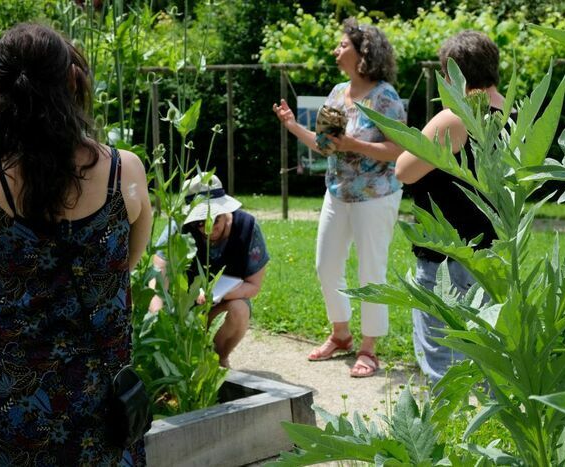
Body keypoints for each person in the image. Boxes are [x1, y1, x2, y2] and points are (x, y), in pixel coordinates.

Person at [0, 23, 152, 464]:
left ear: (3, 90)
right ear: (71, 81)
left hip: (8, 395)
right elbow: (128, 260)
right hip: (97, 394)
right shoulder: (128, 172)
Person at [273, 18, 406, 377]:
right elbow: (325, 146)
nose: (336, 50)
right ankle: (341, 334)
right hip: (338, 193)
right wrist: (292, 125)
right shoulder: (336, 93)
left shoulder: (385, 97)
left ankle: (369, 347)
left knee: (370, 270)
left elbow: (397, 150)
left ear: (364, 52)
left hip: (376, 196)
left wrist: (353, 144)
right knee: (326, 264)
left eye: (342, 45)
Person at [394, 30, 505, 386]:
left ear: (450, 74)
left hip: (449, 257)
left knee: (443, 362)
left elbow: (404, 171)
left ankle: (449, 434)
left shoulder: (455, 117)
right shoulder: (508, 110)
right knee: (489, 355)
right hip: (492, 254)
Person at [150, 173, 269, 368]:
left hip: (224, 303)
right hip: (183, 308)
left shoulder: (247, 227)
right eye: (199, 222)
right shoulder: (179, 224)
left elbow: (254, 285)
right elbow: (159, 268)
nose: (207, 229)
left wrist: (219, 294)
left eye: (214, 220)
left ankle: (218, 359)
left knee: (239, 309)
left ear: (225, 211)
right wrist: (157, 312)